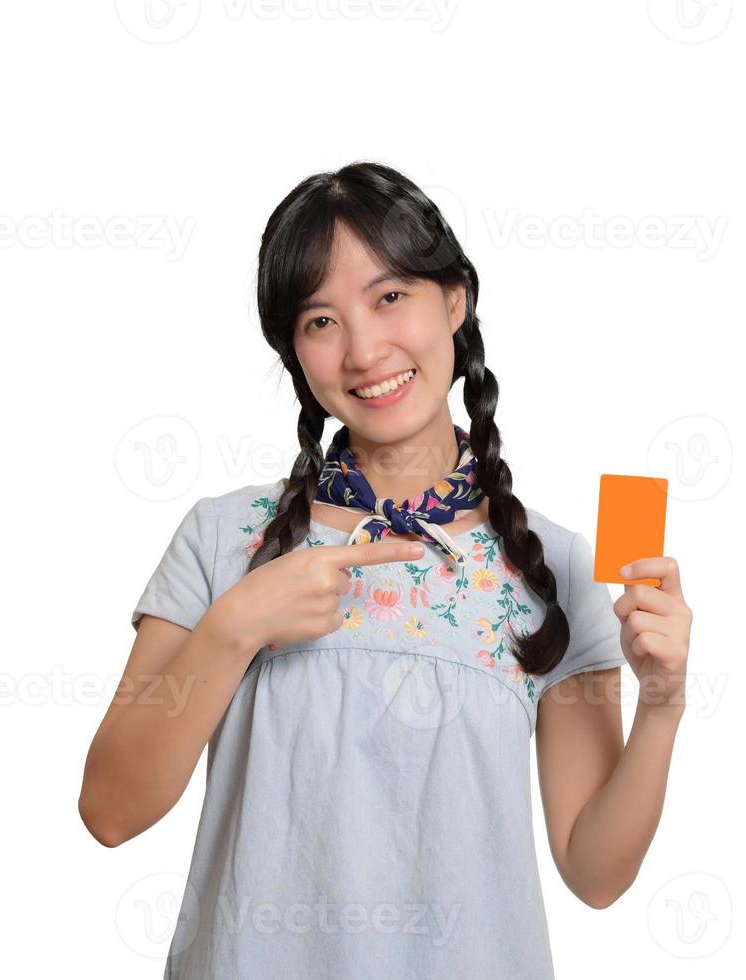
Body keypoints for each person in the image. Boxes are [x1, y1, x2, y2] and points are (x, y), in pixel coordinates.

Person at [78, 161, 694, 978]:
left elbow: (596, 872)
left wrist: (661, 704)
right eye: (320, 320)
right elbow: (110, 812)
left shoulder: (556, 570)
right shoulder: (224, 538)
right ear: (294, 352)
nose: (364, 350)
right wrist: (236, 627)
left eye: (390, 296)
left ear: (455, 300)